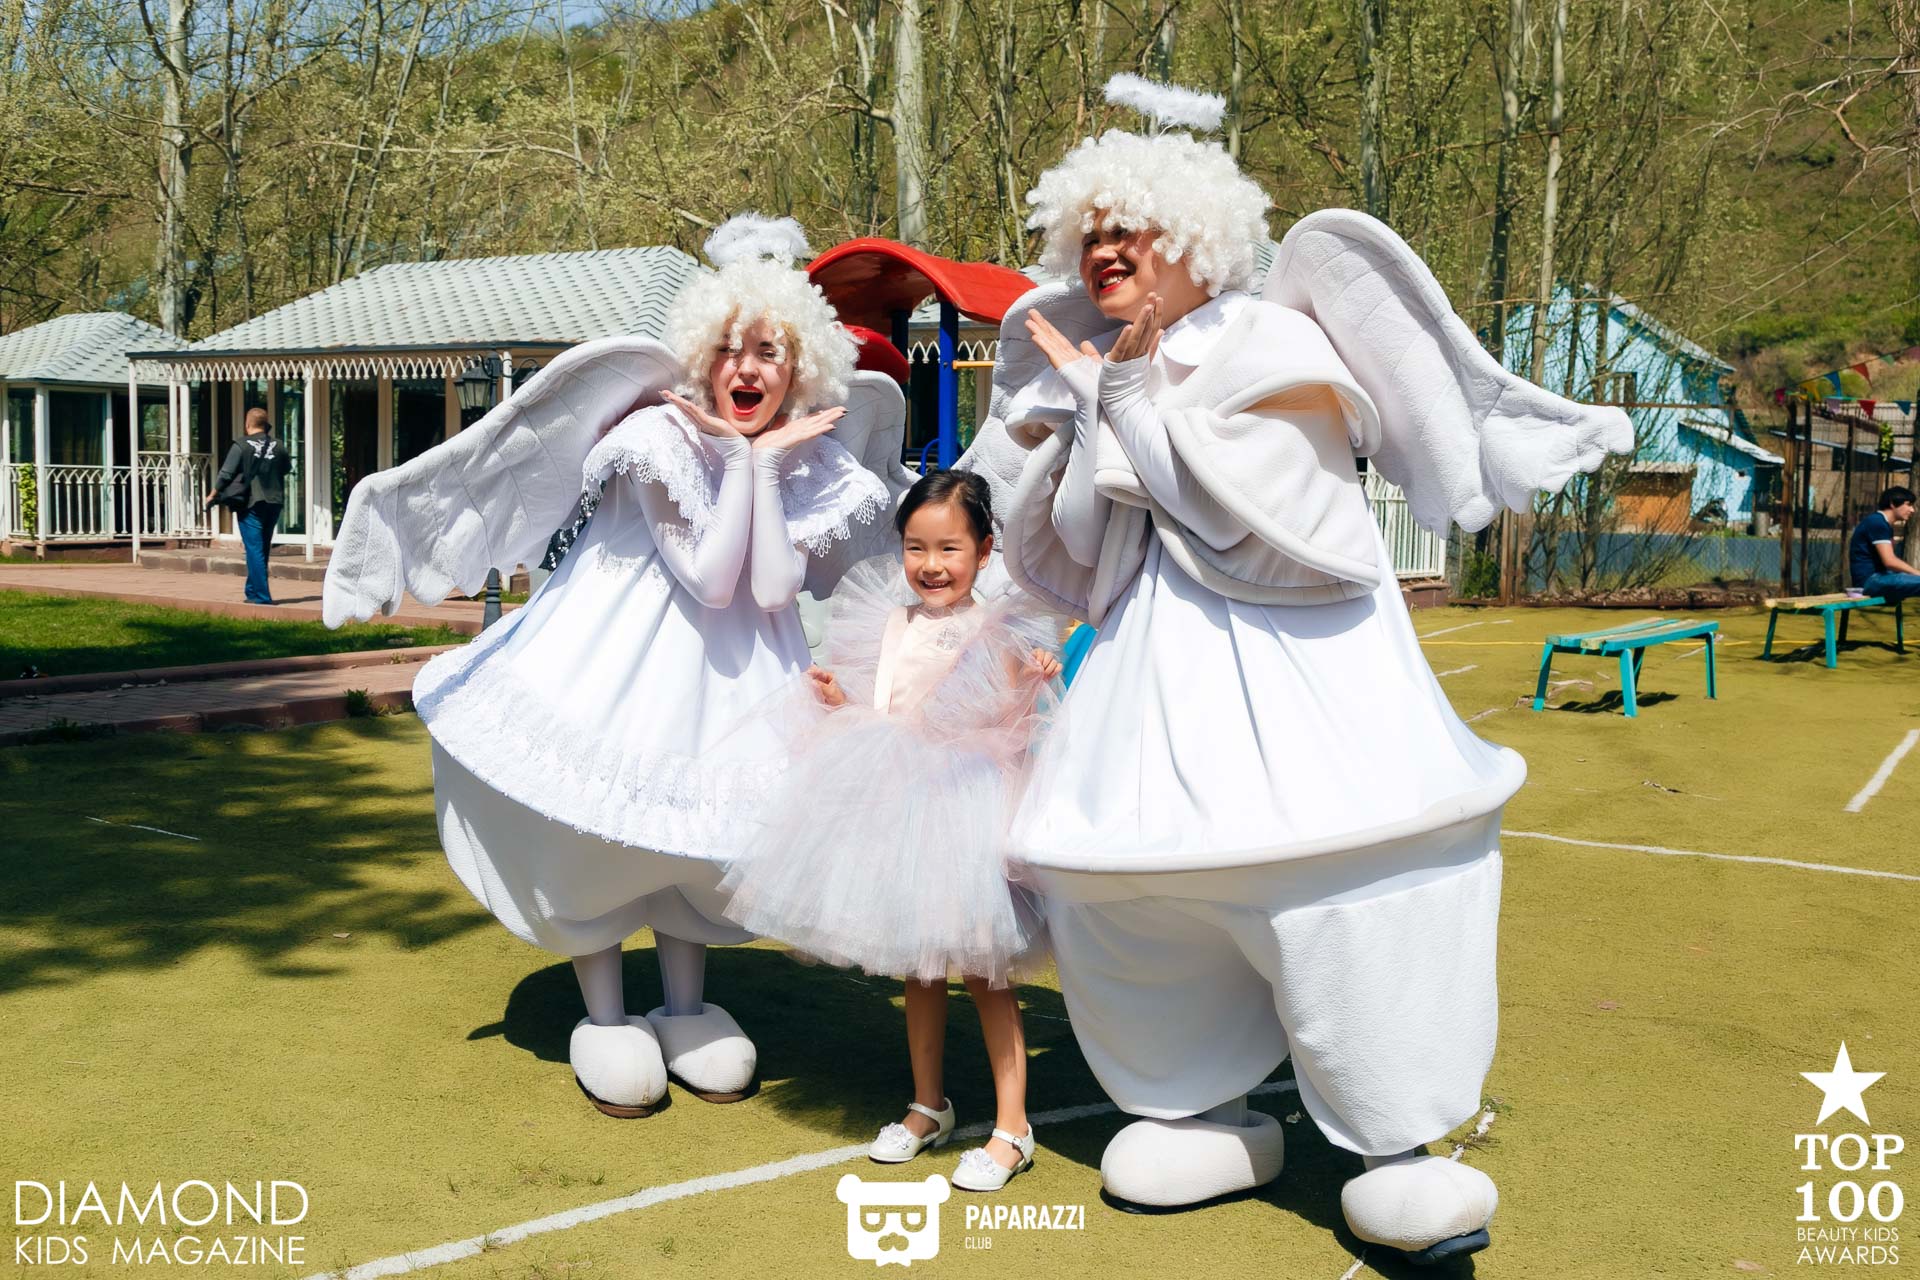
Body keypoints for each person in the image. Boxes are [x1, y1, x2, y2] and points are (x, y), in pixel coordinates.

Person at [959, 74, 1630, 1264]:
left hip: (1303, 679)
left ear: (1197, 237)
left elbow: (1274, 531)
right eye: (1090, 233)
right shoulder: (1101, 358)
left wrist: (1127, 401)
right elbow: (1091, 545)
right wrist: (1093, 410)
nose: (1105, 251)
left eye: (1131, 228)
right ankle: (1197, 1102)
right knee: (1134, 890)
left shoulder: (1274, 342)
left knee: (1337, 884)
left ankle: (1396, 1142)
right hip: (1149, 679)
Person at [323, 214, 903, 1120]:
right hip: (622, 660)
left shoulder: (803, 459)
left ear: (801, 369)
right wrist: (745, 460)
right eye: (731, 347)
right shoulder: (655, 437)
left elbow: (773, 585)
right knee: (597, 829)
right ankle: (605, 1015)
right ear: (701, 354)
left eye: (770, 352)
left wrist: (760, 466)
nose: (748, 368)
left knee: (697, 846)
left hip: (739, 679)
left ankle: (684, 1007)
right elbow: (709, 578)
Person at [720, 470, 1061, 1192]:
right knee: (920, 965)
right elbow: (883, 703)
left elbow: (1012, 719)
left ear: (985, 551)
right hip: (897, 805)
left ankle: (1013, 1126)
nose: (931, 565)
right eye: (916, 547)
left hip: (964, 807)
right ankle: (927, 1103)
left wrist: (1033, 676)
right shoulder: (888, 618)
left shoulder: (1000, 628)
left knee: (986, 971)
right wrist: (838, 698)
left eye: (950, 549)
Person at [206, 407, 293, 605]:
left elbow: (226, 474)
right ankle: (252, 591)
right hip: (274, 501)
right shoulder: (279, 445)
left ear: (247, 424)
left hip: (251, 502)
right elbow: (286, 468)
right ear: (266, 424)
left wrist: (213, 494)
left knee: (254, 549)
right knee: (262, 547)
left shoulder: (241, 445)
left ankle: (262, 597)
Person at [1848, 486, 1920, 601]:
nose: (1912, 510)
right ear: (1893, 504)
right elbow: (1890, 561)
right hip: (1870, 581)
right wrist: (1917, 573)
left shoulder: (1883, 524)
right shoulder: (1877, 523)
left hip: (1882, 576)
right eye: (1908, 504)